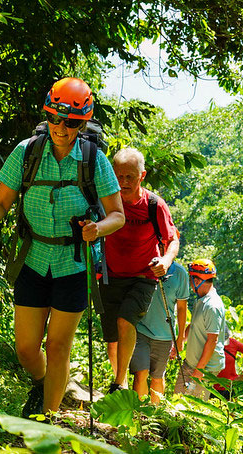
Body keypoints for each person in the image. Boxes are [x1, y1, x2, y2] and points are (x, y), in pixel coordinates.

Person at [0, 77, 125, 417]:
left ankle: (48, 419)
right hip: (34, 258)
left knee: (58, 346)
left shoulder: (94, 160)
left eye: (70, 122)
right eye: (54, 118)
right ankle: (43, 383)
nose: (60, 127)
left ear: (82, 122)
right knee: (26, 348)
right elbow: (0, 203)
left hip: (75, 263)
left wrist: (97, 229)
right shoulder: (27, 152)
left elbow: (117, 216)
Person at [101, 147, 179, 393]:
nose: (123, 182)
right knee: (112, 338)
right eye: (119, 176)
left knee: (126, 321)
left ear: (142, 176)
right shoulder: (105, 201)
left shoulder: (154, 205)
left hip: (143, 277)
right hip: (110, 274)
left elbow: (172, 240)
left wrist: (165, 262)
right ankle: (119, 378)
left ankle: (119, 383)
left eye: (130, 177)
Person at [130, 260, 189, 403]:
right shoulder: (142, 263)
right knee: (140, 373)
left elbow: (182, 308)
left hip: (165, 335)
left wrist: (180, 338)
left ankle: (154, 416)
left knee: (157, 377)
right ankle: (139, 414)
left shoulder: (180, 273)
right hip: (140, 330)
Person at [174, 258, 225, 402]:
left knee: (192, 409)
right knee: (177, 401)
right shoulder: (202, 301)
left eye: (191, 279)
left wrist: (199, 371)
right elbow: (194, 325)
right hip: (191, 363)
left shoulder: (212, 306)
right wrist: (181, 340)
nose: (190, 284)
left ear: (197, 281)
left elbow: (212, 340)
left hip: (203, 369)